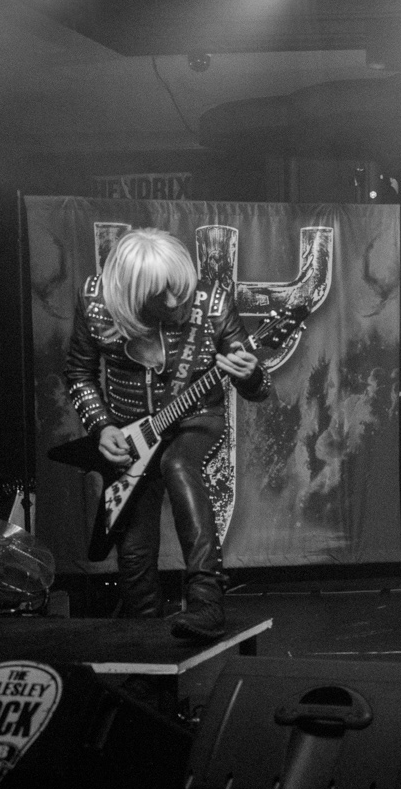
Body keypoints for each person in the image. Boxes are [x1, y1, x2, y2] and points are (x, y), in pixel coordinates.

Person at [65, 228, 271, 640]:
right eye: (161, 294)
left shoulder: (212, 302)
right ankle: (144, 627)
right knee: (134, 540)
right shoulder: (96, 300)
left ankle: (206, 601)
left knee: (178, 465)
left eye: (180, 288)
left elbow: (258, 387)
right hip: (129, 433)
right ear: (129, 293)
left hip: (195, 420)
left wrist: (250, 375)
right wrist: (102, 426)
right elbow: (79, 373)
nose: (176, 301)